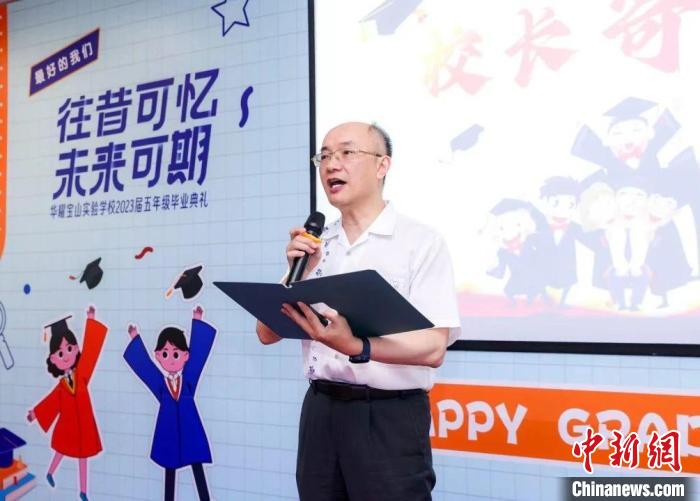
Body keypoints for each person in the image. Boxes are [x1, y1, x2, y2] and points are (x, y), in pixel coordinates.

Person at [256, 122, 461, 500]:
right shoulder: (315, 244)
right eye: (324, 156)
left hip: (387, 417)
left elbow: (434, 347)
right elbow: (265, 333)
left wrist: (357, 346)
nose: (332, 165)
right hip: (320, 412)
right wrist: (301, 272)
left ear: (383, 165)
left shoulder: (419, 241)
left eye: (347, 153)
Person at [123, 305, 216, 501]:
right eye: (165, 354)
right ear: (158, 355)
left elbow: (198, 360)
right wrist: (135, 339)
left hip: (190, 430)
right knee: (170, 469)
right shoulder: (161, 385)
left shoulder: (188, 381)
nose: (171, 360)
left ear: (185, 355)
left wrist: (197, 321)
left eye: (176, 354)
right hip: (169, 432)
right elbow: (146, 370)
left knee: (197, 466)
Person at [27, 306, 108, 501]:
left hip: (84, 425)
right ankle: (50, 472)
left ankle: (83, 491)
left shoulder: (82, 375)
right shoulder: (61, 386)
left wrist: (91, 319)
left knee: (83, 457)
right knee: (60, 451)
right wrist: (35, 414)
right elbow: (50, 402)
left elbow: (91, 354)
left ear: (77, 348)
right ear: (53, 359)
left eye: (70, 348)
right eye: (60, 353)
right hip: (68, 425)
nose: (67, 355)